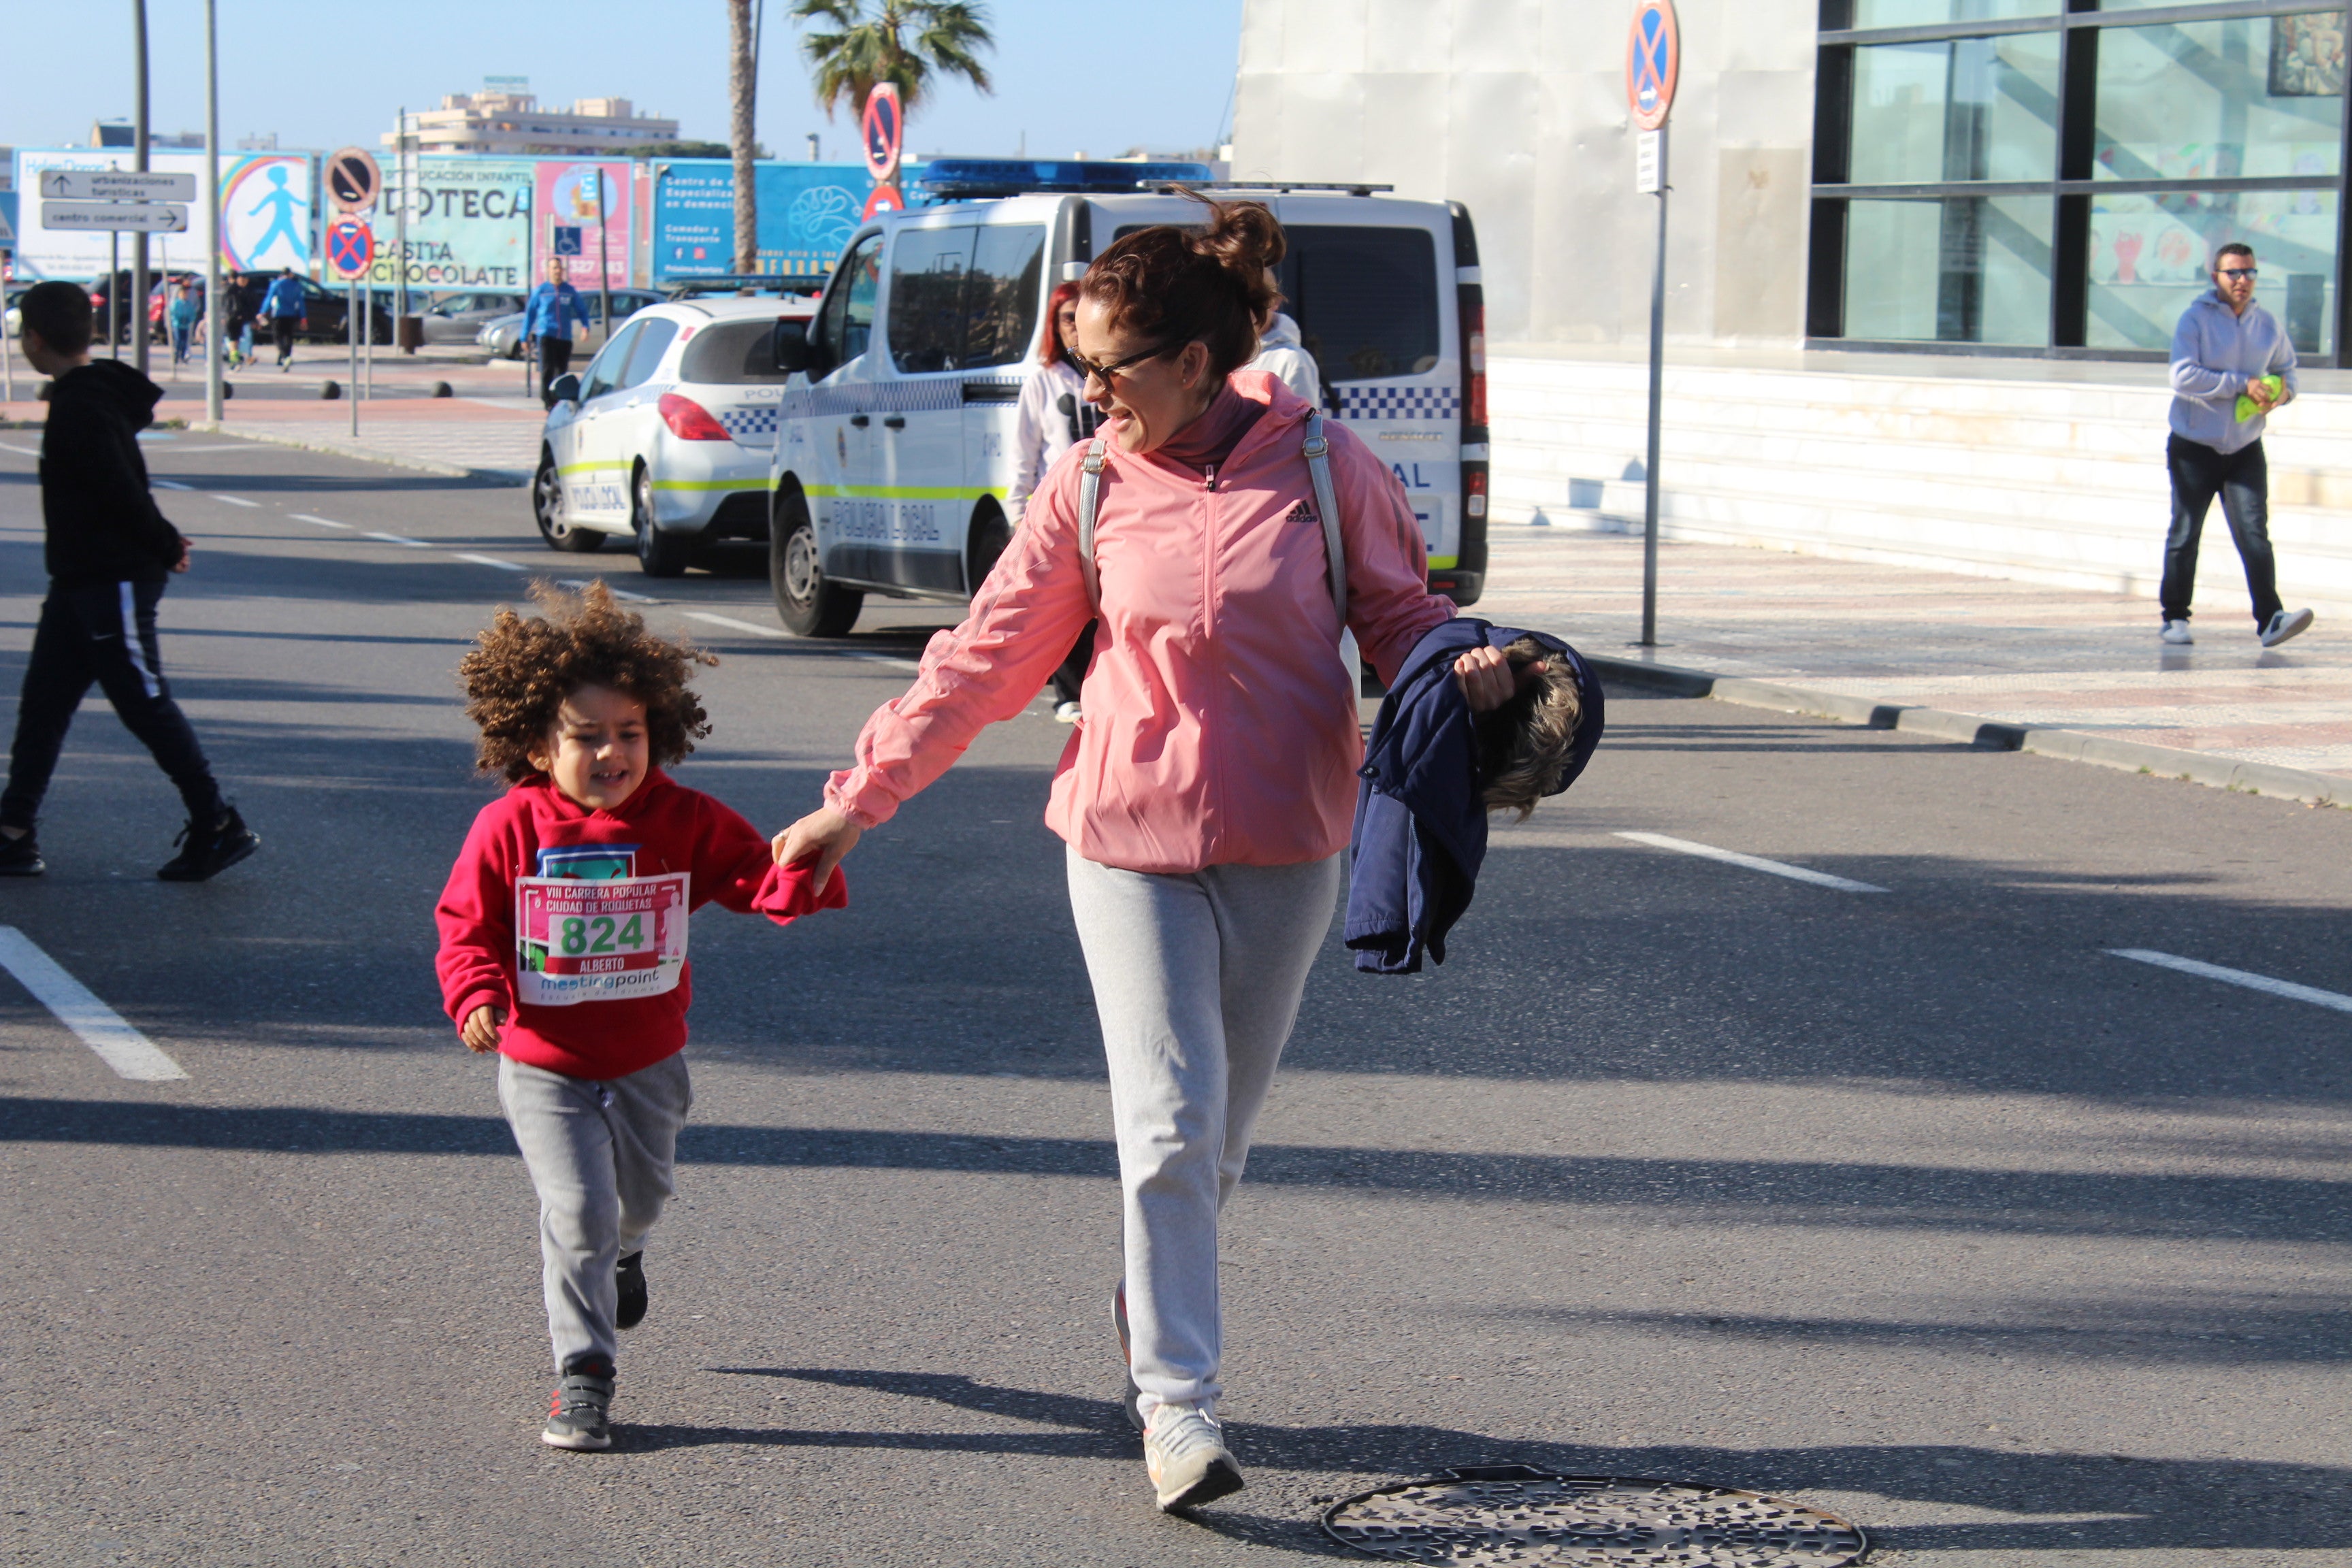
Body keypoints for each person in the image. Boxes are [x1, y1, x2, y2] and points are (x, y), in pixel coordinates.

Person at [772, 199, 1533, 1515]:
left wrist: (1463, 671)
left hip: (1288, 841)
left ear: (1196, 359)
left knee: (1218, 1142)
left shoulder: (1323, 468)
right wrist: (860, 796)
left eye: (1109, 366)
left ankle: (1149, 1288)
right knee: (1170, 1123)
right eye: (1079, 367)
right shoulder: (1090, 487)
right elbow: (983, 659)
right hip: (1125, 841)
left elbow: (1402, 615)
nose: (1088, 391)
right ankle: (1177, 1405)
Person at [434, 583, 846, 1452]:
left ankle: (628, 1252)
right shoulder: (508, 828)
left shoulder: (681, 818)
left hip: (651, 1057)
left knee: (641, 1197)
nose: (612, 754)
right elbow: (465, 926)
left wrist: (802, 872)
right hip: (543, 1059)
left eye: (630, 734)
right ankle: (584, 1374)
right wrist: (477, 995)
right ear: (540, 746)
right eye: (587, 738)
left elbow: (747, 874)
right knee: (575, 1209)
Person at [0, 282, 257, 881]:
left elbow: (119, 490)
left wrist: (166, 544)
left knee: (144, 703)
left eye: (22, 335)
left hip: (110, 579)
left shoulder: (82, 406)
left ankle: (217, 822)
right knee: (43, 705)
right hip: (79, 581)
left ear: (35, 339)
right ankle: (13, 829)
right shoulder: (82, 396)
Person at [2160, 242, 2315, 649]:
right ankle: (2174, 617)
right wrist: (2239, 384)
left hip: (2245, 447)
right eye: (2233, 273)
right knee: (2185, 531)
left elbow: (2289, 371)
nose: (2242, 280)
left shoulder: (2267, 324)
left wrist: (2279, 395)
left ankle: (2270, 620)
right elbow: (2182, 376)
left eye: (2249, 272)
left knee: (2254, 534)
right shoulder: (2194, 319)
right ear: (2216, 277)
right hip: (2194, 446)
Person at [1008, 280, 1096, 722]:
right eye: (1067, 319)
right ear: (1055, 326)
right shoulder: (1043, 383)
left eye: (1083, 317)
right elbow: (1023, 455)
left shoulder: (1109, 376)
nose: (1075, 329)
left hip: (1109, 511)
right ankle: (1068, 691)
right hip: (1059, 514)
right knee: (1063, 605)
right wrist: (1016, 516)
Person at [523, 258, 593, 404]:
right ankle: (547, 400)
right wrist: (524, 336)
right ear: (548, 270)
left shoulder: (569, 291)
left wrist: (585, 327)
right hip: (546, 335)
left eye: (560, 268)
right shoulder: (541, 292)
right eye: (554, 268)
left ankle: (559, 399)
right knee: (548, 369)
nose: (557, 271)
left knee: (561, 371)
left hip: (564, 337)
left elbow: (581, 310)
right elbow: (530, 314)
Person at [1250, 302, 1320, 410]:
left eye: (1255, 297)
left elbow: (1301, 423)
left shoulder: (1293, 360)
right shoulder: (1220, 356)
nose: (1248, 307)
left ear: (1274, 302)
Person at [260, 266, 306, 371]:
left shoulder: (276, 284)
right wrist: (303, 318)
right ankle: (285, 357)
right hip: (291, 314)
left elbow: (269, 299)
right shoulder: (296, 285)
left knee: (277, 337)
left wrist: (263, 312)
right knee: (288, 336)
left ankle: (285, 356)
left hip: (278, 314)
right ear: (290, 274)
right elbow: (301, 303)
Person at [166, 282, 198, 368]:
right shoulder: (177, 303)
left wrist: (189, 319)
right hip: (177, 325)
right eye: (184, 293)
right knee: (178, 340)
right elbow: (173, 313)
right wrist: (177, 318)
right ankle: (176, 356)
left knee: (184, 341)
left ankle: (183, 356)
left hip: (185, 325)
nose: (185, 295)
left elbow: (192, 314)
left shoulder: (189, 304)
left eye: (186, 293)